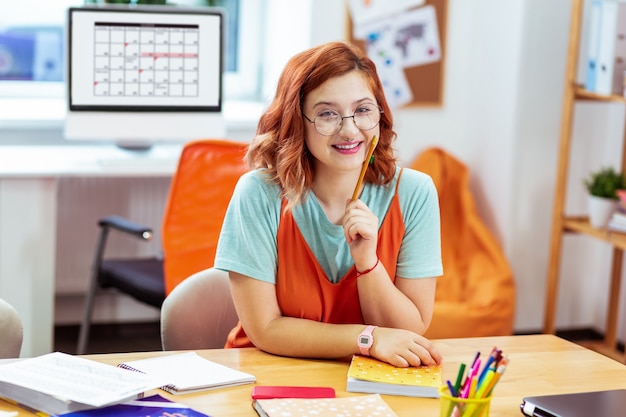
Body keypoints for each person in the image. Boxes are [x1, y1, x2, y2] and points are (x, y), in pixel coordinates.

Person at [214, 41, 443, 368]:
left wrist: (368, 264)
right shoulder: (257, 193)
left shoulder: (415, 193)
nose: (349, 130)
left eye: (363, 110)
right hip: (267, 375)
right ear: (297, 120)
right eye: (327, 114)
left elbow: (409, 331)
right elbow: (265, 330)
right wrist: (369, 339)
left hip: (367, 385)